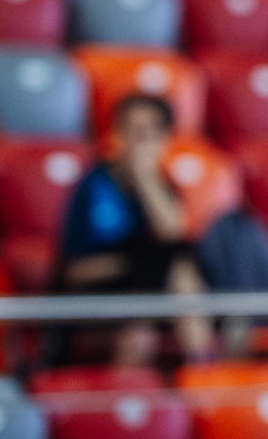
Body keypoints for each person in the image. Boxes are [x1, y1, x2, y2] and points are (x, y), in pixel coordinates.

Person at [55, 93, 214, 366]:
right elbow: (74, 271)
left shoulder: (163, 187)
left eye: (149, 134)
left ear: (164, 141)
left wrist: (144, 177)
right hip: (98, 292)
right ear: (116, 134)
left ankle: (202, 368)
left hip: (152, 294)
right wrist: (137, 264)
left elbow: (172, 233)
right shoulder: (94, 185)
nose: (138, 142)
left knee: (181, 271)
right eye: (131, 131)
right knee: (137, 335)